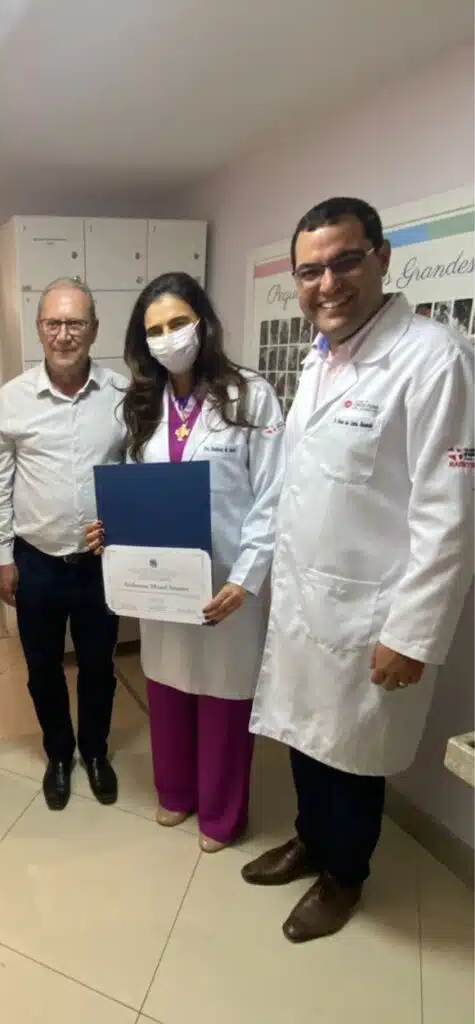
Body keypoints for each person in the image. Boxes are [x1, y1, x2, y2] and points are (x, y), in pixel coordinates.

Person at [243, 197, 474, 943]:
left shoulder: (434, 359)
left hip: (372, 612)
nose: (327, 283)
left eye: (344, 261)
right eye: (309, 271)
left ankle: (344, 876)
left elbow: (449, 514)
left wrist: (413, 633)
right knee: (306, 738)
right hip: (306, 599)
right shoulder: (321, 357)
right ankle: (310, 841)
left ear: (381, 257)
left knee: (352, 757)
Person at [86, 272, 286, 851]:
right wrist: (112, 530)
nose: (168, 337)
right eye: (155, 330)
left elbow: (273, 495)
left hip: (228, 581)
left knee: (224, 695)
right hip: (163, 580)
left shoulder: (250, 395)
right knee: (168, 686)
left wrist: (246, 580)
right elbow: (135, 486)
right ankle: (175, 792)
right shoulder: (143, 403)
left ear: (203, 322)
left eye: (178, 323)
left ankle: (221, 815)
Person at [0, 278, 128, 810]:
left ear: (94, 329)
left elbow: (135, 471)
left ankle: (95, 751)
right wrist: (2, 557)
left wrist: (126, 528)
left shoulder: (121, 394)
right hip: (36, 561)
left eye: (75, 323)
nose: (64, 334)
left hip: (99, 564)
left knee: (98, 666)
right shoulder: (13, 398)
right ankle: (59, 755)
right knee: (43, 668)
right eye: (53, 323)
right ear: (39, 328)